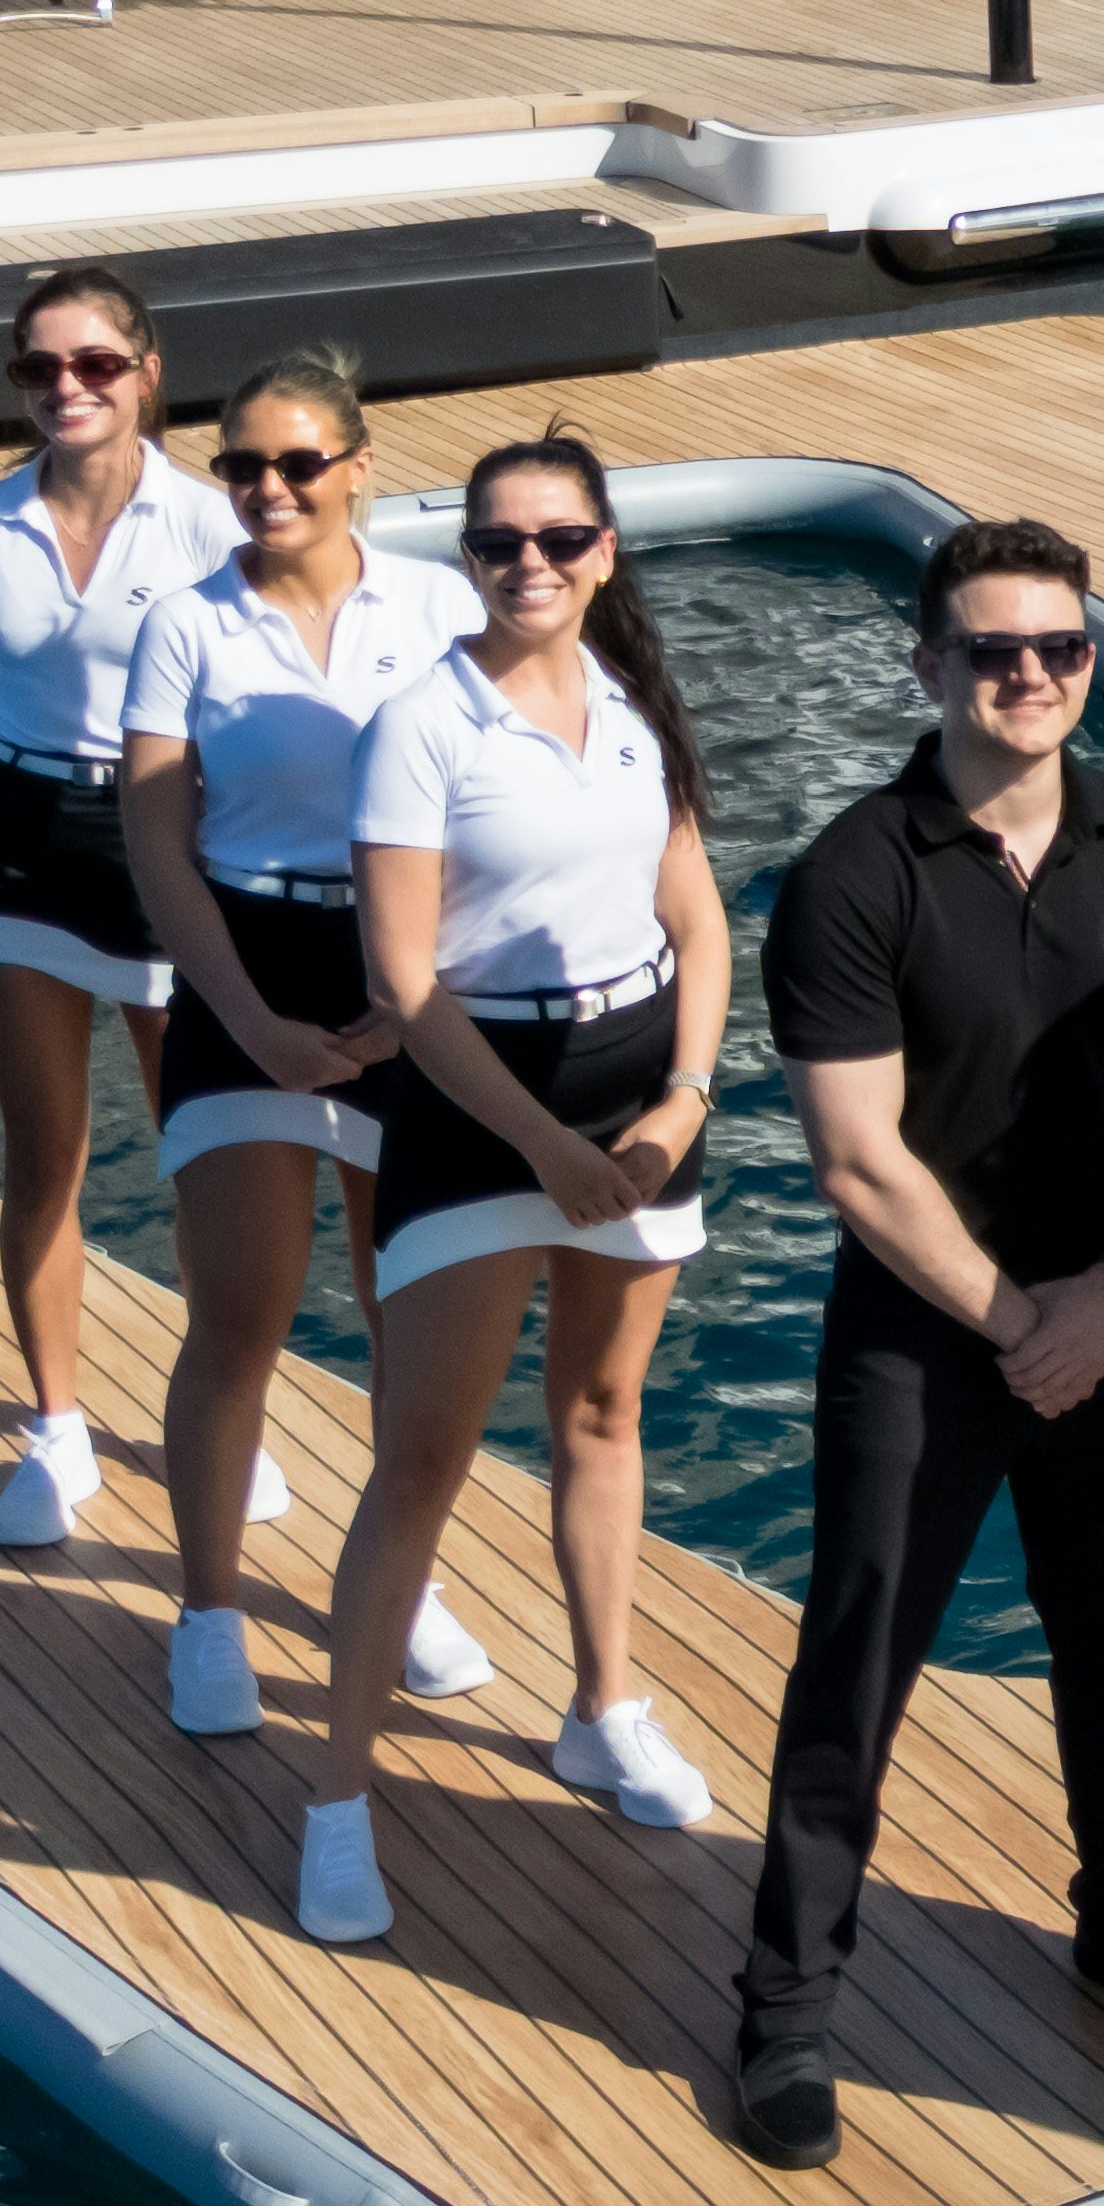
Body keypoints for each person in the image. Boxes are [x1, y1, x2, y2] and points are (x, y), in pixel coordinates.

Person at [735, 515, 1104, 2163]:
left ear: (1088, 667)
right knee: (861, 1651)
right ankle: (786, 2008)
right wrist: (1011, 1321)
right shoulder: (853, 874)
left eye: (1055, 649)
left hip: (1102, 1303)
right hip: (921, 1323)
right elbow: (852, 1161)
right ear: (929, 666)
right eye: (990, 650)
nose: (1025, 675)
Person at [300, 430, 738, 1928]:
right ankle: (341, 1795)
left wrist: (682, 1100)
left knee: (603, 1418)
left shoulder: (634, 705)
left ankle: (601, 1707)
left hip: (636, 1096)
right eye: (500, 543)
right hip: (481, 1101)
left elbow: (697, 916)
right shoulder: (419, 727)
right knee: (421, 1462)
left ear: (605, 550)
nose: (530, 566)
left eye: (559, 540)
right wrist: (546, 1149)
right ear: (467, 557)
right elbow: (407, 987)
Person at [114, 348, 481, 1751]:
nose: (269, 489)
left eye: (297, 463)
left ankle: (406, 1576)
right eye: (242, 467)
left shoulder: (443, 607)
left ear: (358, 466)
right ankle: (210, 1610)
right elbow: (158, 836)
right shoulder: (186, 625)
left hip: (410, 975)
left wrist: (419, 1000)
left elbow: (478, 800)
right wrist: (250, 1016)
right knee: (240, 1313)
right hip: (244, 966)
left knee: (412, 1316)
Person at [0, 263, 208, 1547]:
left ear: (147, 370)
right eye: (41, 368)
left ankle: (226, 1411)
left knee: (205, 1155)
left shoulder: (211, 525)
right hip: (25, 832)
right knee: (43, 1151)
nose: (68, 387)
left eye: (96, 363)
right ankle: (55, 1424)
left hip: (170, 833)